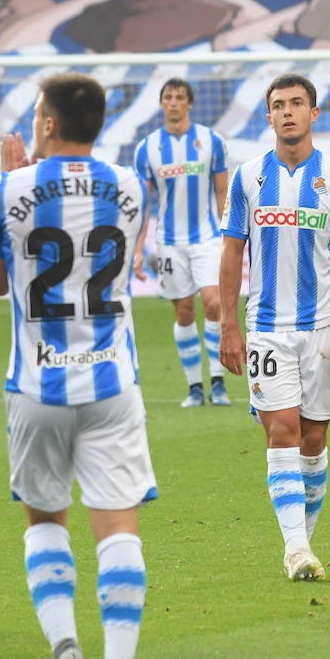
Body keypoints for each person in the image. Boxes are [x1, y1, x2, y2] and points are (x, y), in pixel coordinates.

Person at [0, 72, 156, 659]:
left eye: (35, 114)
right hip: (112, 382)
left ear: (48, 124)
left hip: (36, 386)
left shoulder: (8, 188)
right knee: (117, 528)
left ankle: (64, 650)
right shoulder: (133, 187)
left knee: (45, 522)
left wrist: (11, 180)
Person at [218, 73, 330, 581]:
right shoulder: (247, 178)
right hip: (265, 328)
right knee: (281, 430)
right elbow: (232, 253)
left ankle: (300, 542)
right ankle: (298, 549)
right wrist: (228, 328)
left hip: (324, 328)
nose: (287, 112)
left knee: (314, 438)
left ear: (314, 113)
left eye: (296, 103)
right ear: (269, 116)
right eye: (278, 105)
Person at [132, 76, 232, 409]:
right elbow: (144, 204)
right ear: (162, 104)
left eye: (179, 97)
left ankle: (217, 382)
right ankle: (194, 387)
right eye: (168, 97)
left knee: (213, 302)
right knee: (185, 311)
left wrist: (231, 237)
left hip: (207, 237)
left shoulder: (211, 141)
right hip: (170, 241)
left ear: (189, 103)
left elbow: (222, 192)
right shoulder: (147, 149)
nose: (173, 102)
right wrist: (138, 248)